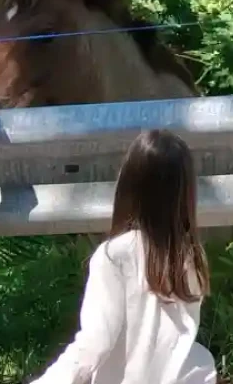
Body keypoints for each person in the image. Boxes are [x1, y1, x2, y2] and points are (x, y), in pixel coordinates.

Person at [29, 129, 217, 384]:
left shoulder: (116, 256)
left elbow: (94, 343)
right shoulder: (191, 257)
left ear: (128, 184)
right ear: (186, 192)